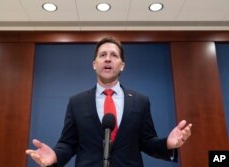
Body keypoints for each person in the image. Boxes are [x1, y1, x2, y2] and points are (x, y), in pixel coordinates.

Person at [26, 36, 192, 167]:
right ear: (94, 64)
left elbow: (147, 142)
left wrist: (168, 144)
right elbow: (68, 143)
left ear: (122, 65)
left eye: (114, 55)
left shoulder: (140, 101)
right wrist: (55, 156)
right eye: (102, 55)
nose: (107, 59)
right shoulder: (77, 102)